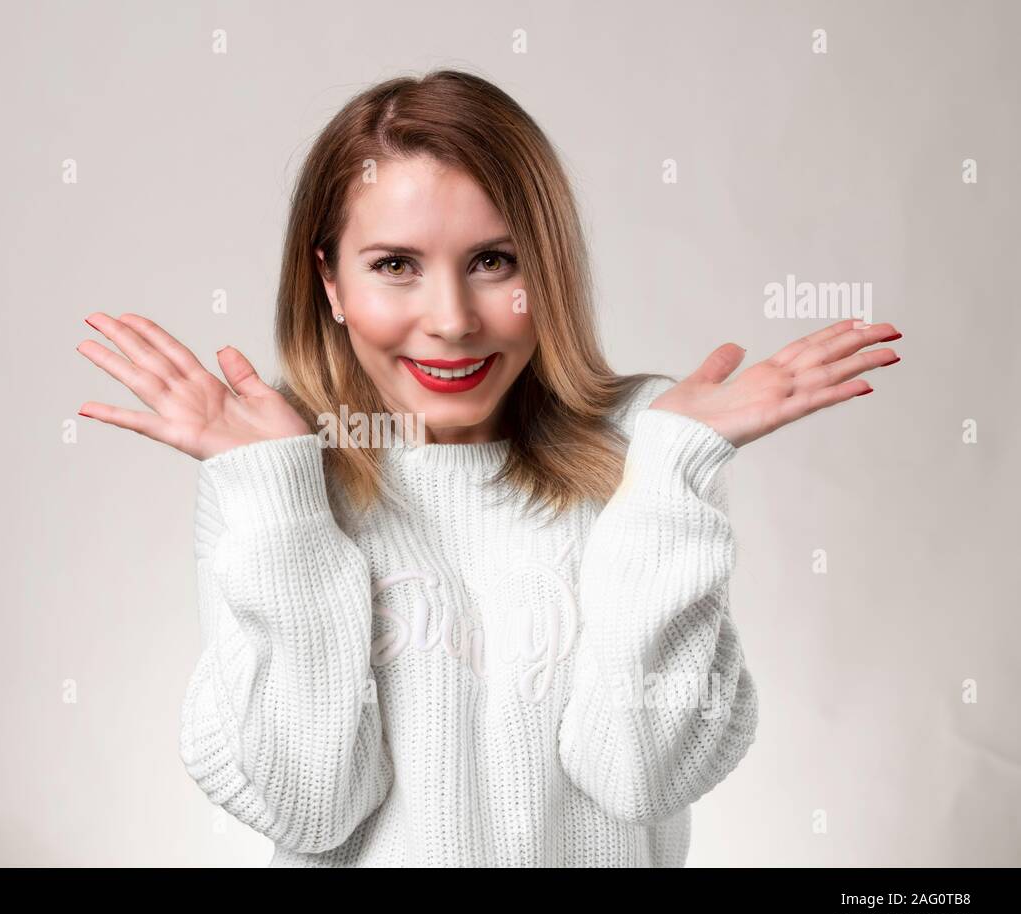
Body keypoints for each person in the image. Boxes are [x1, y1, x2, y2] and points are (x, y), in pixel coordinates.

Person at [76, 70, 902, 866]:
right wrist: (278, 499)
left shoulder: (644, 446)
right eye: (395, 264)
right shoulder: (277, 473)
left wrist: (672, 473)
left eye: (494, 261)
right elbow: (308, 804)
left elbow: (643, 773)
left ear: (548, 266)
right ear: (328, 280)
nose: (451, 321)